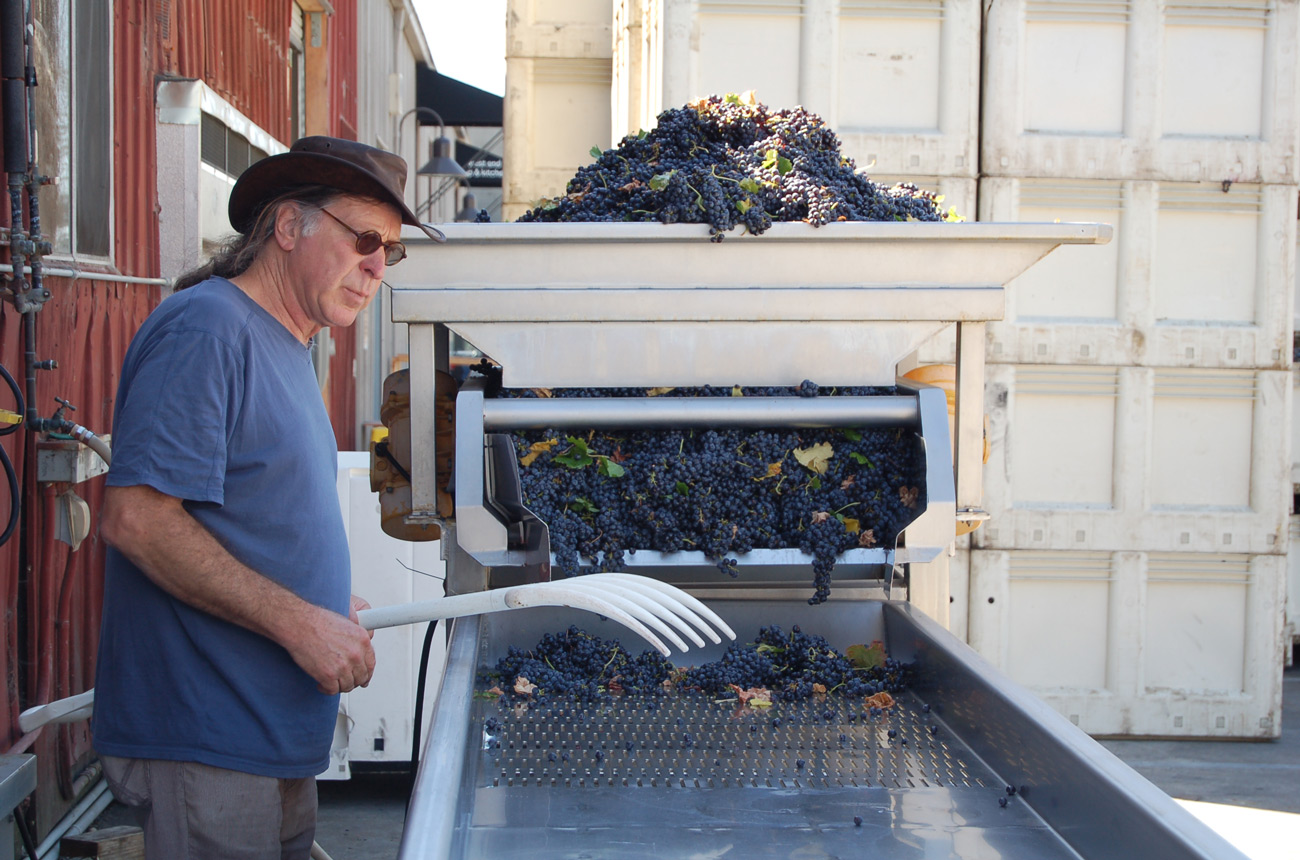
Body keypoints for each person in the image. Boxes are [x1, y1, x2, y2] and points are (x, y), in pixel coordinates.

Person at [92, 136, 444, 859]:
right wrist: (300, 623)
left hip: (271, 731)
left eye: (392, 251)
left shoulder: (285, 344)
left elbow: (246, 521)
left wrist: (318, 605)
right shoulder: (209, 328)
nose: (378, 265)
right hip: (209, 732)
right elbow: (138, 520)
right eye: (366, 238)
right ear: (289, 227)